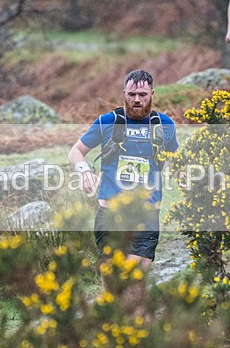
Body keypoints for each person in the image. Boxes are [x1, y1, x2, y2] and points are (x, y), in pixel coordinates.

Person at [68, 69, 178, 296]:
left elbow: (177, 160)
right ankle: (116, 325)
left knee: (133, 283)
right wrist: (85, 171)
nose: (137, 99)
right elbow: (76, 151)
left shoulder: (164, 125)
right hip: (110, 214)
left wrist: (183, 174)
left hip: (147, 215)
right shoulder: (108, 122)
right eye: (132, 94)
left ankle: (135, 327)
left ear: (152, 94)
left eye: (143, 95)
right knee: (113, 285)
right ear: (124, 93)